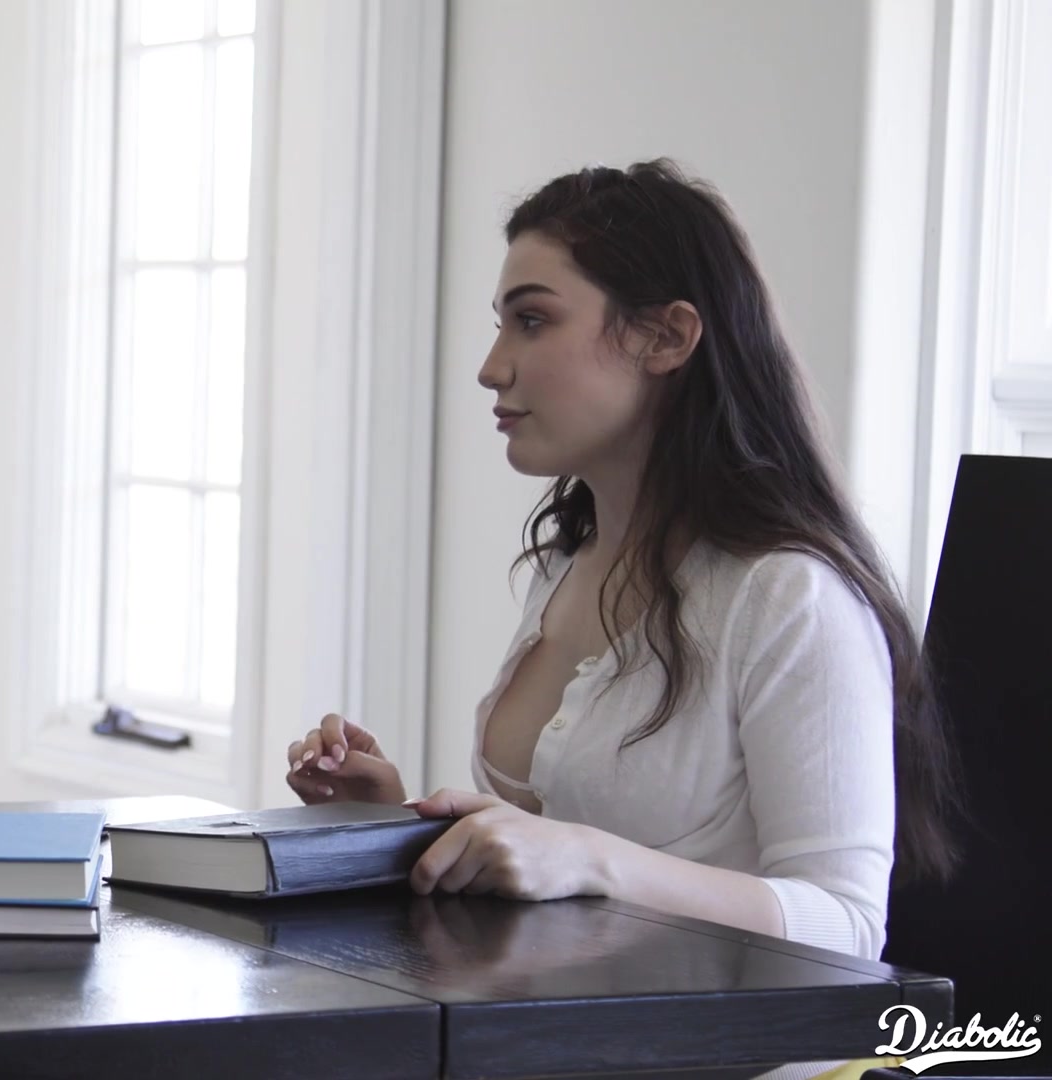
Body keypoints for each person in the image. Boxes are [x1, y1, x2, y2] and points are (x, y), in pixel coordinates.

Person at [282, 161, 958, 970]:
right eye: (502, 324)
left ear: (665, 338)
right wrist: (391, 827)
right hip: (546, 1027)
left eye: (533, 321)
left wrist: (593, 859)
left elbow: (847, 925)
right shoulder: (566, 565)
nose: (492, 367)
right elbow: (542, 882)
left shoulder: (790, 596)